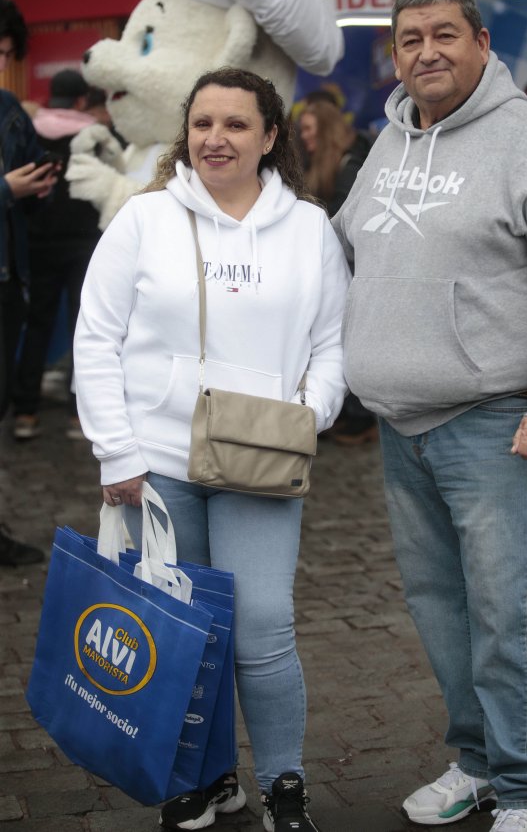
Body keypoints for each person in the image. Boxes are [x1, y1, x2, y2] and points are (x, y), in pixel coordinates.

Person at [333, 0, 527, 832]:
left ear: (482, 41)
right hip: (399, 428)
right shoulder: (386, 144)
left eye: (444, 33)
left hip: (495, 425)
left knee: (503, 614)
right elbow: (341, 251)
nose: (426, 52)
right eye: (410, 39)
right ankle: (480, 765)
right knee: (442, 612)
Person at [73, 67, 350, 832]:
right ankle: (206, 777)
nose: (215, 138)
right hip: (157, 462)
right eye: (202, 124)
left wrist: (309, 411)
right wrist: (115, 454)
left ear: (270, 137)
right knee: (185, 632)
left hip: (261, 457)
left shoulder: (310, 229)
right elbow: (95, 338)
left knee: (261, 626)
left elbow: (332, 346)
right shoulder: (145, 218)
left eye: (235, 124)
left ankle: (284, 785)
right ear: (185, 134)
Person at [0, 0, 58, 566]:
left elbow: (27, 197)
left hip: (8, 282)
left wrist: (39, 188)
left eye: (5, 53)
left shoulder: (10, 110)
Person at [12, 69, 101, 441]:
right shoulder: (95, 135)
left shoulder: (31, 130)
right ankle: (78, 415)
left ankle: (26, 412)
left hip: (38, 243)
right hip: (85, 245)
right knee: (86, 329)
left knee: (36, 325)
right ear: (81, 100)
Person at [298, 99, 376, 445]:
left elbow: (350, 227)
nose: (304, 137)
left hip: (353, 272)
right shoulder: (322, 165)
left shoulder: (350, 167)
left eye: (309, 130)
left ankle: (360, 419)